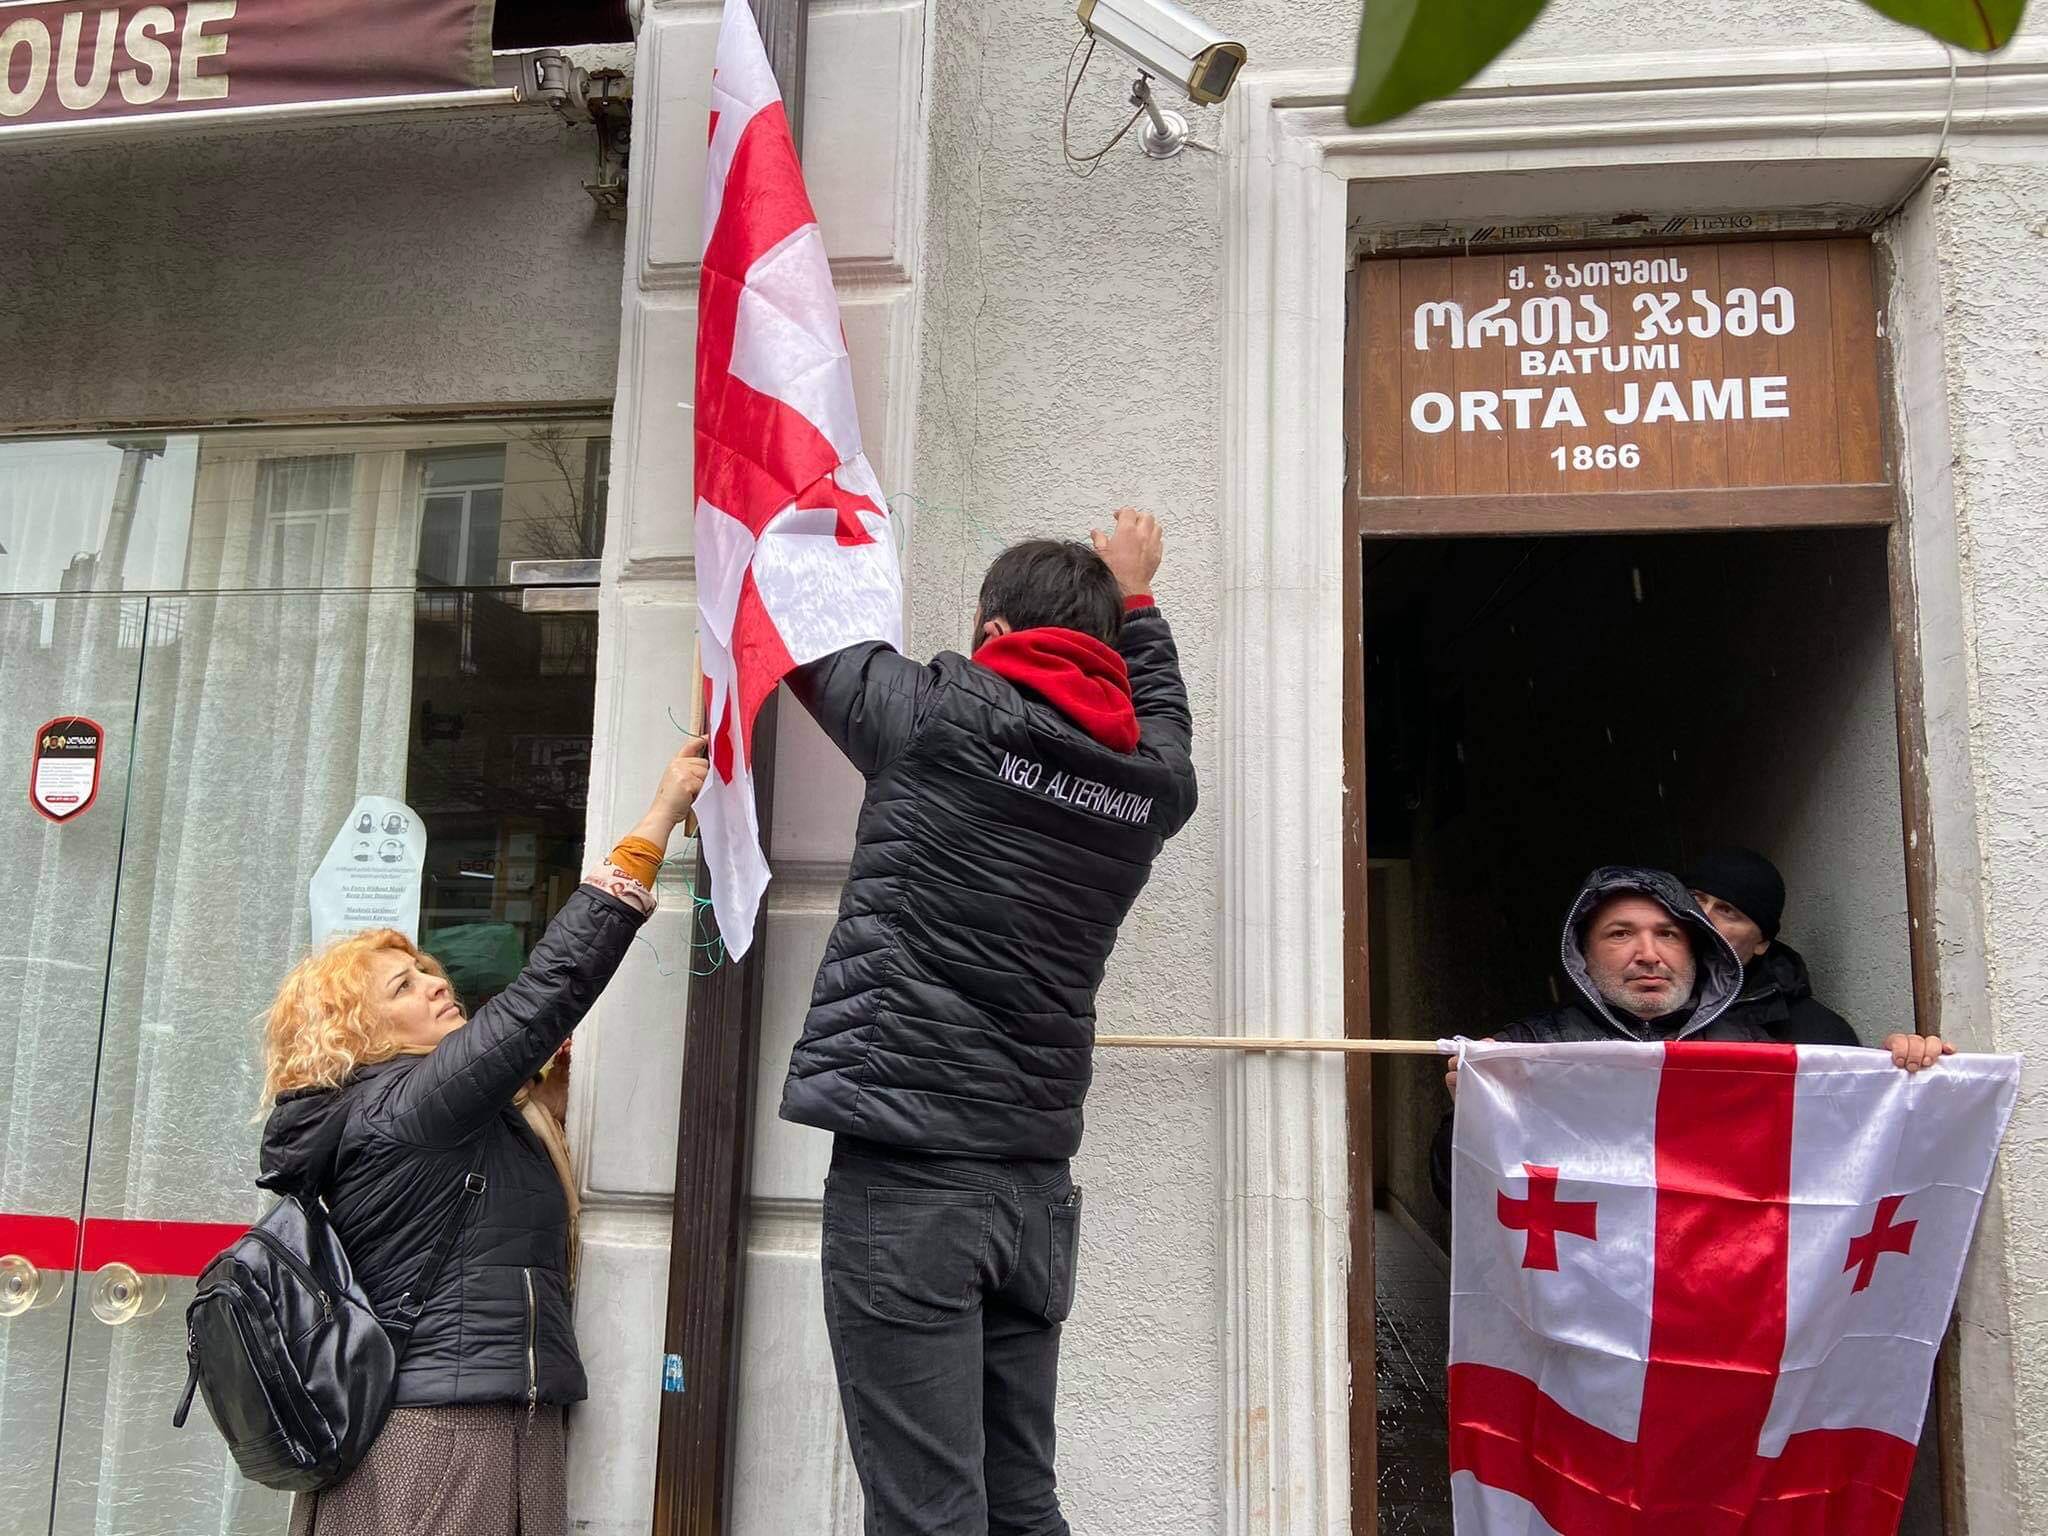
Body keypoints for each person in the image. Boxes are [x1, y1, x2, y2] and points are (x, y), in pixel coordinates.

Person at [781, 508, 1197, 1536]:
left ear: (994, 629)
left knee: (931, 1516)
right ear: (1104, 651)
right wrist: (1136, 598)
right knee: (1018, 1504)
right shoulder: (1144, 788)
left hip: (914, 1186)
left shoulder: (933, 718)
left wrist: (779, 489)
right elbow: (1167, 721)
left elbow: (797, 626)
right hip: (1033, 1199)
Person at [260, 738, 708, 1536]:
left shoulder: (433, 1114)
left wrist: (550, 1102)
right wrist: (657, 821)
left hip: (501, 1417)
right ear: (357, 1030)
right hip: (435, 1433)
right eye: (404, 984)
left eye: (430, 970)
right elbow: (547, 993)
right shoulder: (400, 1105)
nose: (437, 983)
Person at [1432, 865, 1950, 1208]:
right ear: (1581, 956)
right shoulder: (1529, 1049)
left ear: (1698, 952)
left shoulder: (1764, 1052)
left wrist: (1907, 1078)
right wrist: (1470, 1120)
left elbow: (1852, 1168)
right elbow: (1461, 1198)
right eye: (1620, 934)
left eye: (1668, 934)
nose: (1648, 954)